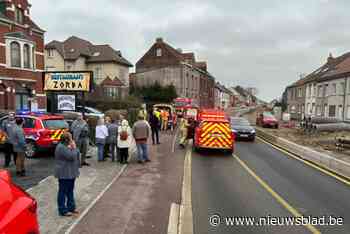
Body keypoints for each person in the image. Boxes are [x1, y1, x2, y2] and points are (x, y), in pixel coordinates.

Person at [54, 132, 80, 217]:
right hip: (64, 173)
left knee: (70, 191)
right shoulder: (61, 147)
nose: (72, 140)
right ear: (66, 140)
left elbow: (76, 155)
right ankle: (62, 210)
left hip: (70, 173)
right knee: (63, 192)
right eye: (71, 138)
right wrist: (74, 148)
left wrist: (73, 148)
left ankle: (71, 207)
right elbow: (72, 156)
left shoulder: (65, 146)